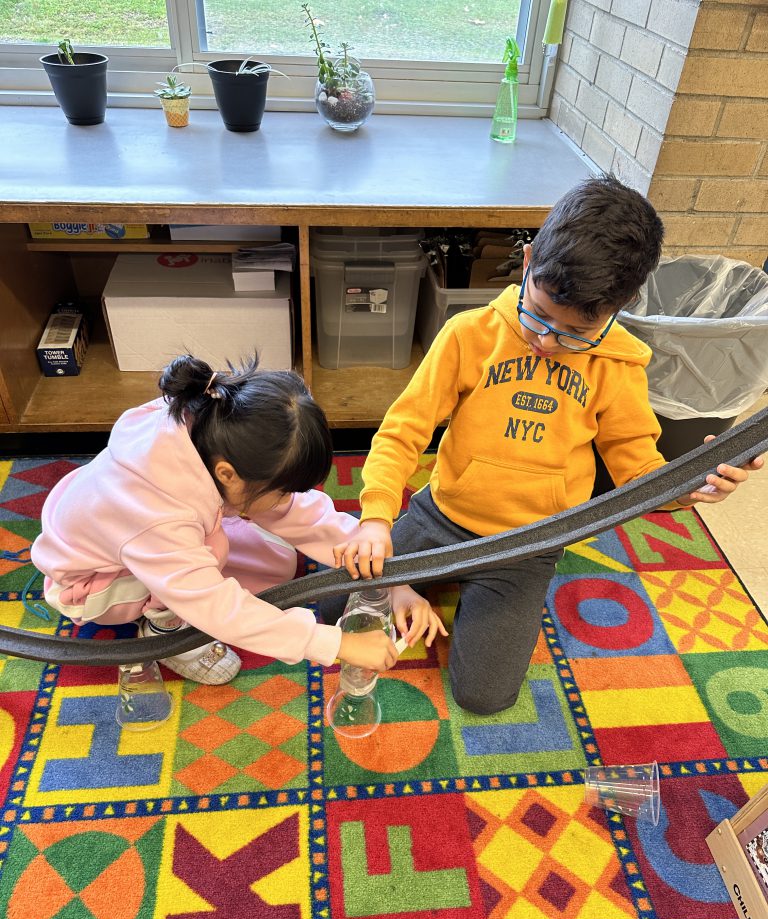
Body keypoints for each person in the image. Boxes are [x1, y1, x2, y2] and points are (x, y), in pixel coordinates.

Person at [326, 174, 764, 715]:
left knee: (483, 697)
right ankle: (417, 581)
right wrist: (374, 516)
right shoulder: (469, 332)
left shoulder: (619, 366)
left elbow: (639, 475)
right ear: (529, 260)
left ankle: (441, 587)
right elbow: (403, 431)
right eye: (538, 315)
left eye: (575, 332)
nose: (546, 342)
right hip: (442, 516)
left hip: (529, 544)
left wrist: (690, 491)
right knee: (325, 603)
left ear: (622, 303)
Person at [31, 354, 445, 688]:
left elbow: (298, 513)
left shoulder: (209, 422)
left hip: (125, 526)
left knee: (276, 565)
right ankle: (167, 630)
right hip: (93, 582)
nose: (287, 500)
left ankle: (181, 588)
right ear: (227, 473)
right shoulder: (157, 520)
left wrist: (393, 583)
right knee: (218, 576)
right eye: (281, 489)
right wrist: (336, 643)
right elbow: (218, 608)